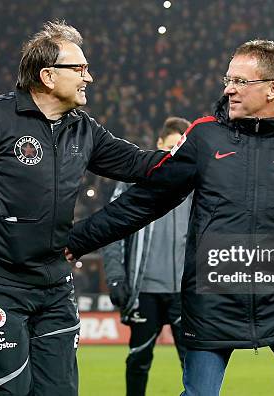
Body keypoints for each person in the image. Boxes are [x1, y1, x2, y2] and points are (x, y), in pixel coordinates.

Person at [0, 20, 164, 396]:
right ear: (48, 75)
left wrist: (192, 155)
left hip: (55, 284)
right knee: (9, 391)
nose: (89, 77)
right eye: (80, 68)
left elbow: (142, 164)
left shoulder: (84, 130)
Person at [67, 40, 274, 396]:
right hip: (214, 298)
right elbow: (147, 200)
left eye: (241, 80)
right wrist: (77, 240)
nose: (228, 88)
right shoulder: (205, 135)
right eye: (228, 78)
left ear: (273, 89)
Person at [103, 117, 192, 396]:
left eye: (178, 150)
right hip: (145, 291)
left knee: (194, 364)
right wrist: (116, 277)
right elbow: (111, 232)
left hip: (184, 292)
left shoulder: (196, 186)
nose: (172, 156)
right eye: (168, 149)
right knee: (139, 361)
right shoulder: (135, 182)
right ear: (157, 145)